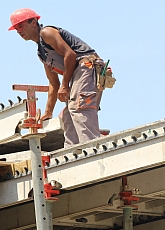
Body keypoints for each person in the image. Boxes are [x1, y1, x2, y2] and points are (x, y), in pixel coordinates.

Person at [9, 8, 108, 147]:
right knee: (68, 115)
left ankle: (92, 147)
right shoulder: (42, 53)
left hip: (86, 66)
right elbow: (53, 83)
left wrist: (65, 85)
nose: (19, 31)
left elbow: (70, 55)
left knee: (79, 108)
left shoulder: (47, 33)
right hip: (78, 73)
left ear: (33, 22)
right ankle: (73, 151)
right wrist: (48, 112)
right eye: (16, 28)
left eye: (21, 25)